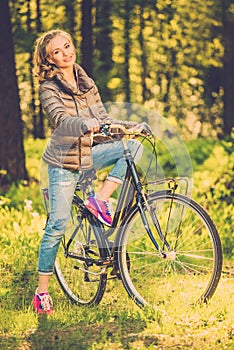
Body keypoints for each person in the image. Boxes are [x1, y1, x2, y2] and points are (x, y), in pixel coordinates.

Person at [32, 29, 144, 314]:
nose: (65, 53)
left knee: (133, 147)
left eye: (67, 46)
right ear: (49, 59)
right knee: (57, 224)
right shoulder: (48, 87)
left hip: (89, 154)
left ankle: (101, 199)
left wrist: (130, 127)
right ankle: (41, 292)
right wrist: (82, 123)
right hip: (64, 161)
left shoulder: (86, 82)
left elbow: (103, 120)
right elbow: (59, 119)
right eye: (57, 52)